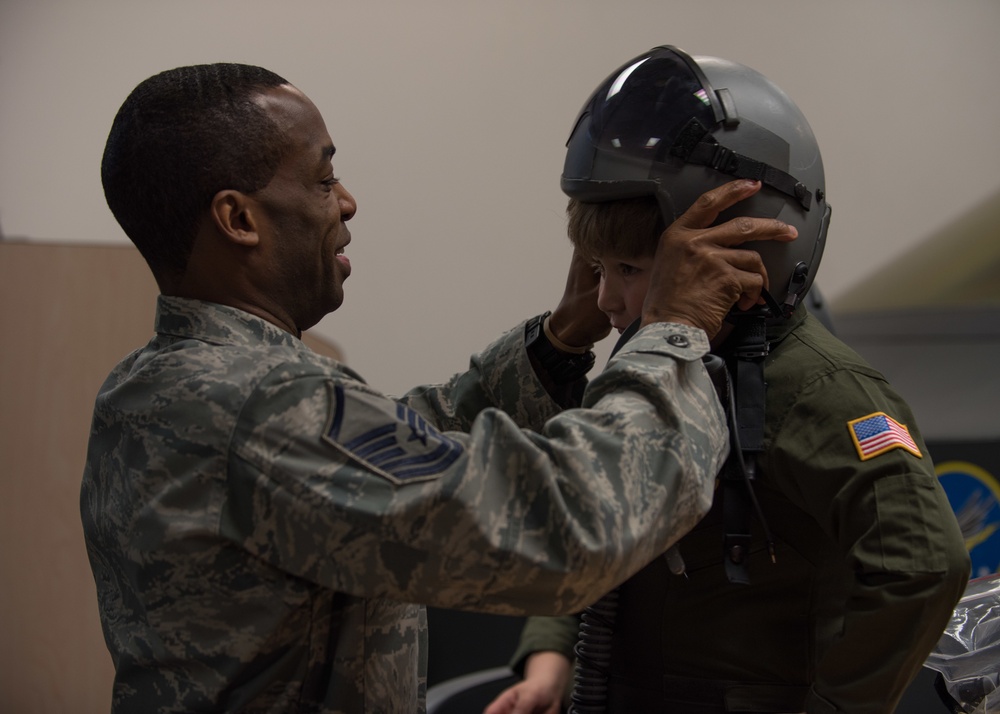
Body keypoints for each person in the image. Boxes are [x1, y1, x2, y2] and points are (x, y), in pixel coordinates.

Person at [80, 62, 798, 714]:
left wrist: (557, 344)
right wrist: (672, 331)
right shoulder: (260, 407)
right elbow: (568, 528)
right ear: (238, 220)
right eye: (325, 179)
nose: (348, 203)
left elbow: (395, 450)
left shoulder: (156, 384)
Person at [485, 46, 971, 714]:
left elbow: (925, 564)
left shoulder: (819, 391)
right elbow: (596, 527)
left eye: (628, 268)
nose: (605, 302)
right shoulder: (650, 374)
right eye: (597, 269)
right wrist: (548, 662)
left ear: (745, 247)